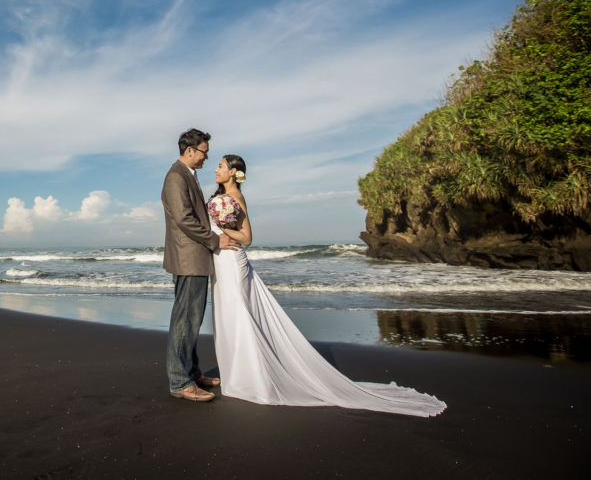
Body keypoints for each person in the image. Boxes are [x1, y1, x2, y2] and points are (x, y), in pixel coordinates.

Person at [207, 154, 446, 416]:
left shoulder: (237, 199)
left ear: (233, 172)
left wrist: (222, 230)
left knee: (241, 315)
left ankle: (251, 378)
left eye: (220, 166)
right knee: (226, 315)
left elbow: (247, 238)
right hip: (220, 263)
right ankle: (236, 375)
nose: (216, 169)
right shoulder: (217, 198)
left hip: (233, 261)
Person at [161, 128, 239, 402]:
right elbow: (184, 219)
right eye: (204, 152)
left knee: (192, 320)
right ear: (190, 150)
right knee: (185, 321)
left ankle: (192, 373)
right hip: (188, 258)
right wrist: (216, 240)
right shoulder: (175, 177)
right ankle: (180, 382)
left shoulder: (187, 176)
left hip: (194, 257)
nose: (207, 157)